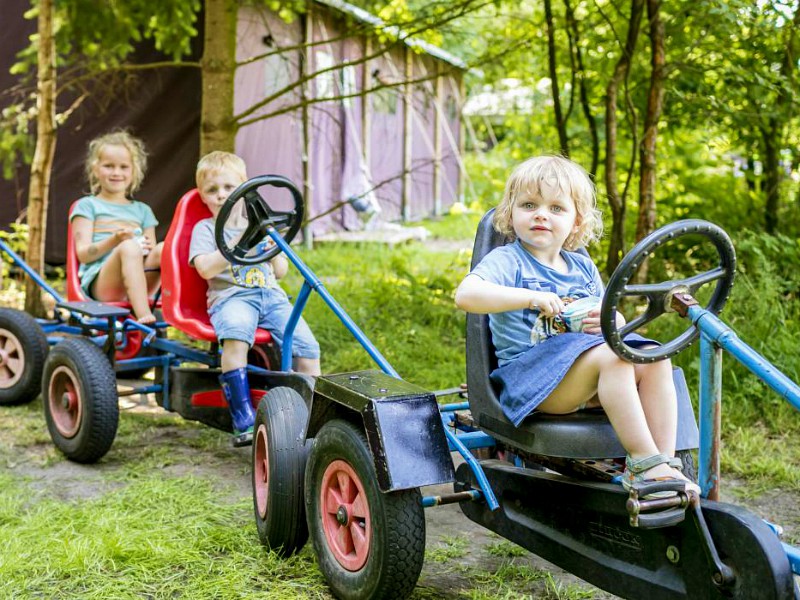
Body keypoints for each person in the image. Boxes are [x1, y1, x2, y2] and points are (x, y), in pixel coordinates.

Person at [455, 155, 700, 496]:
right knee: (613, 359)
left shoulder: (581, 268)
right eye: (529, 204)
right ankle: (644, 464)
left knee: (655, 357)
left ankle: (665, 464)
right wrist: (527, 297)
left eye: (556, 208)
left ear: (576, 222)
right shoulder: (508, 260)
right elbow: (466, 295)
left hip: (580, 372)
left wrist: (613, 320)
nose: (541, 214)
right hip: (532, 379)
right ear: (511, 213)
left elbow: (603, 318)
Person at [189, 151, 321, 445]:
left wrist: (273, 243)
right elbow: (205, 267)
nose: (222, 195)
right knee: (236, 336)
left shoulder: (261, 225)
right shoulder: (206, 229)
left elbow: (281, 270)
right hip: (232, 297)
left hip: (272, 296)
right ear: (203, 196)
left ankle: (313, 418)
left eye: (228, 187)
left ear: (244, 189)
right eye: (213, 190)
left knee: (308, 347)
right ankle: (242, 414)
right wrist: (237, 241)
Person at [70, 131, 163, 324]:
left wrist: (145, 247)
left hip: (140, 280)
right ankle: (143, 314)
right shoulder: (87, 206)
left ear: (133, 171)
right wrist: (116, 240)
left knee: (164, 249)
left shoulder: (143, 211)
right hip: (103, 285)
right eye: (108, 166)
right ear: (96, 169)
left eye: (123, 167)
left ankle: (182, 306)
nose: (116, 173)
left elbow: (152, 251)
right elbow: (84, 254)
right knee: (128, 247)